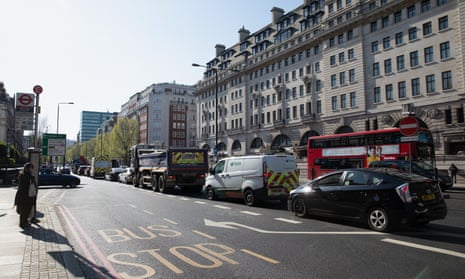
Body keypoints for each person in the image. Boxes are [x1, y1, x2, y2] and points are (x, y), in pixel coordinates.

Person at [14, 162, 37, 229]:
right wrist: (32, 178)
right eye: (31, 168)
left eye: (32, 168)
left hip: (29, 196)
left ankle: (25, 222)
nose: (32, 169)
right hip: (23, 196)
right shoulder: (23, 176)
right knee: (24, 211)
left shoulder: (30, 176)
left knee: (28, 210)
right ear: (27, 168)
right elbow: (24, 186)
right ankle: (22, 223)